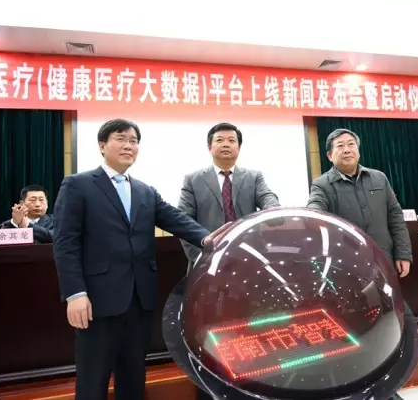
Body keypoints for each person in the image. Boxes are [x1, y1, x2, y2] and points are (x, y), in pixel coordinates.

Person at [52, 119, 226, 400]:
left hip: (139, 299)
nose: (128, 146)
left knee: (133, 376)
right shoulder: (78, 185)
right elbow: (65, 243)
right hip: (97, 300)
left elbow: (175, 218)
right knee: (93, 377)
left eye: (133, 141)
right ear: (102, 145)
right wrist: (75, 293)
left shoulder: (145, 190)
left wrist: (207, 239)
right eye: (121, 139)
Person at [306, 128, 413, 278]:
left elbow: (395, 217)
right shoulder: (322, 184)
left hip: (383, 258)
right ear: (329, 156)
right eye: (340, 146)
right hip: (346, 264)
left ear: (358, 150)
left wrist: (403, 254)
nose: (347, 150)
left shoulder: (379, 178)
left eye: (351, 144)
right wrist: (312, 214)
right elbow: (315, 208)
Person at [178, 122, 280, 263]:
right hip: (208, 257)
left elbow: (266, 197)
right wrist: (199, 257)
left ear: (239, 147)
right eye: (219, 140)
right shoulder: (193, 180)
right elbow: (184, 220)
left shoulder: (254, 177)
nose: (226, 144)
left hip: (250, 255)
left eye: (231, 140)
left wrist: (273, 210)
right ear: (209, 147)